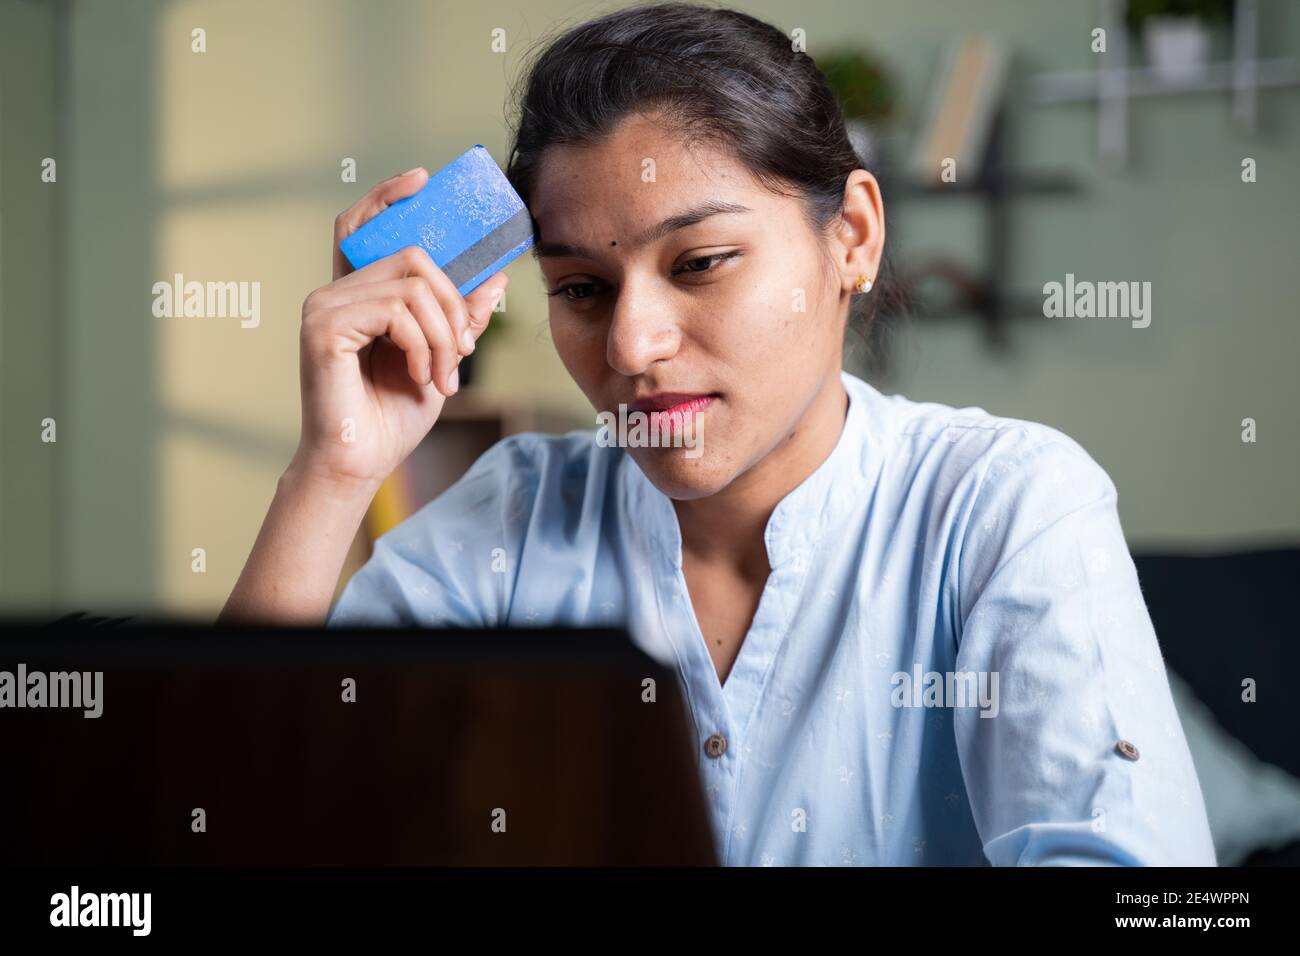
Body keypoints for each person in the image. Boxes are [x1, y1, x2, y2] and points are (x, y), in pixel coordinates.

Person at [221, 2, 1216, 866]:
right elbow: (222, 820)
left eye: (699, 261)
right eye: (578, 287)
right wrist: (333, 469)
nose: (632, 342)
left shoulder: (1005, 505)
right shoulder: (508, 519)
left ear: (852, 237)